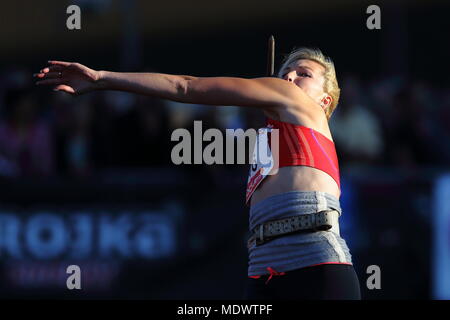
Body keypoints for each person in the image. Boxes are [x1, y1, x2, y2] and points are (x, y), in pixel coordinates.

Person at [34, 47, 361, 300]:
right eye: (285, 72)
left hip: (315, 259)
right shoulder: (268, 142)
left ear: (324, 99)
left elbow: (186, 87)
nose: (289, 78)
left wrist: (103, 78)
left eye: (303, 74)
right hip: (264, 266)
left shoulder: (301, 107)